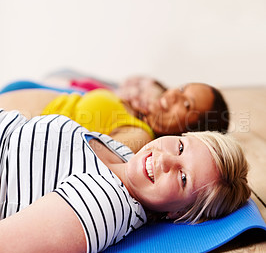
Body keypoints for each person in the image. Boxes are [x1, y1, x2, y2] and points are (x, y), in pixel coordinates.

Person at [0, 108, 250, 253]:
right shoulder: (123, 154)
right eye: (181, 147)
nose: (165, 160)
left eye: (183, 178)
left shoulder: (104, 203)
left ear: (178, 212)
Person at [0, 76, 229, 153]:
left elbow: (87, 155)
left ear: (190, 131)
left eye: (187, 104)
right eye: (181, 88)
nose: (172, 96)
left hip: (11, 135)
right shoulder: (135, 109)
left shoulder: (140, 135)